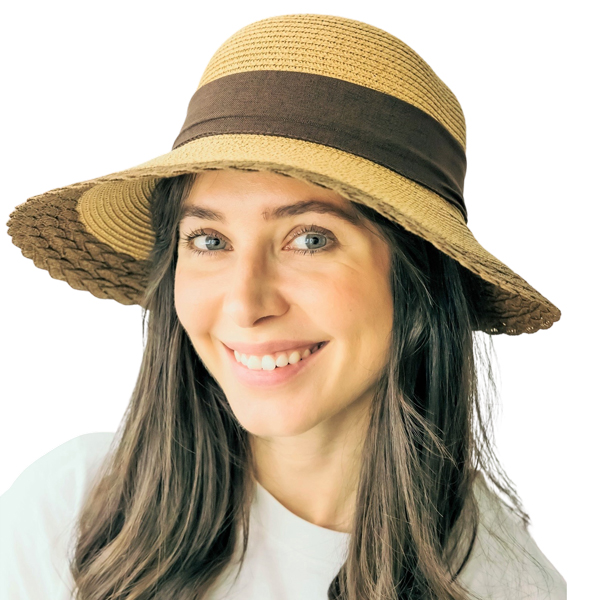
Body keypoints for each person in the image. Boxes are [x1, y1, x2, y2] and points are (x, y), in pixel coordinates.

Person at [1, 13, 566, 600]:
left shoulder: (503, 585)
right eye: (209, 240)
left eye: (311, 239)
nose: (246, 304)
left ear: (417, 279)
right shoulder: (69, 513)